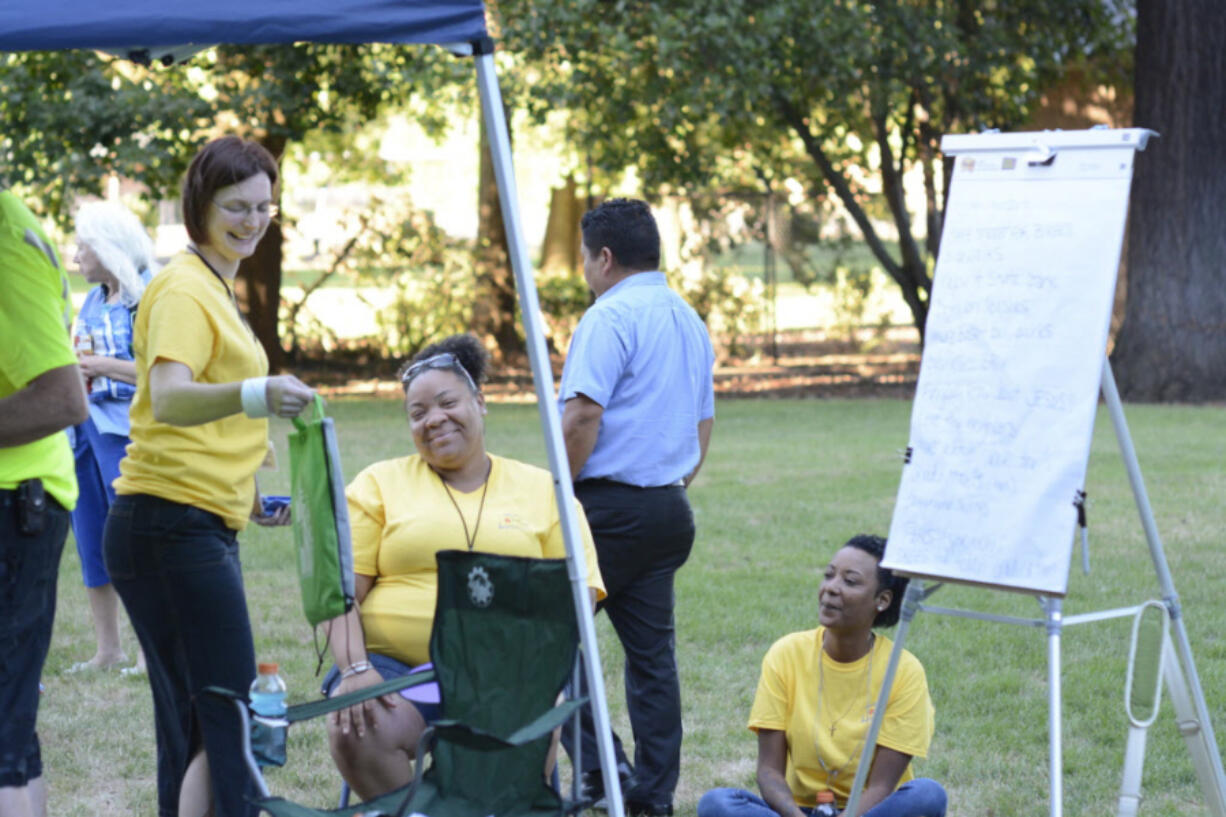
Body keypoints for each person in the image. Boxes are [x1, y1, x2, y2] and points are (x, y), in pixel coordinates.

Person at [101, 136, 315, 817]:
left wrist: (249, 493)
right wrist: (259, 395)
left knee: (200, 716)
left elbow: (205, 404)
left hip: (191, 522)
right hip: (167, 525)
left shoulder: (214, 284)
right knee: (227, 714)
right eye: (236, 206)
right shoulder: (184, 287)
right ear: (200, 204)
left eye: (263, 206)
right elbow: (168, 396)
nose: (253, 221)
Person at [322, 333, 606, 802]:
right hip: (394, 669)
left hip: (503, 669)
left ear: (480, 401)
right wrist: (354, 668)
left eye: (446, 402)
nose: (434, 419)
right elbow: (339, 591)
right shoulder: (379, 484)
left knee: (527, 711)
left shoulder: (543, 490)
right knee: (357, 723)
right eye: (417, 413)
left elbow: (577, 599)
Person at [559, 198, 716, 816]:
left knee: (541, 643)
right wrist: (671, 487)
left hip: (605, 511)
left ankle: (603, 773)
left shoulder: (609, 316)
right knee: (652, 662)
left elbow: (582, 414)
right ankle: (652, 797)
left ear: (604, 257)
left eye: (583, 259)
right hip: (668, 511)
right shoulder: (688, 319)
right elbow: (703, 424)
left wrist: (558, 492)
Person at [697, 535, 947, 817]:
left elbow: (882, 785)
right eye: (829, 576)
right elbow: (768, 771)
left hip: (870, 810)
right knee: (717, 804)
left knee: (927, 796)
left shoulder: (903, 670)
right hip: (797, 811)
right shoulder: (786, 654)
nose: (831, 588)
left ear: (882, 600)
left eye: (849, 581)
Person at [0, 188, 89, 817]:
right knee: (11, 735)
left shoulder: (6, 237)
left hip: (15, 506)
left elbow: (64, 398)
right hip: (21, 503)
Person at [65, 201, 157, 675]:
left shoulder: (148, 297)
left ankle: (147, 651)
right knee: (91, 538)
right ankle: (108, 650)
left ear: (107, 246)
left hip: (124, 434)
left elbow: (162, 372)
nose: (76, 255)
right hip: (82, 431)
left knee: (128, 542)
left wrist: (100, 367)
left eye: (83, 245)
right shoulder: (98, 296)